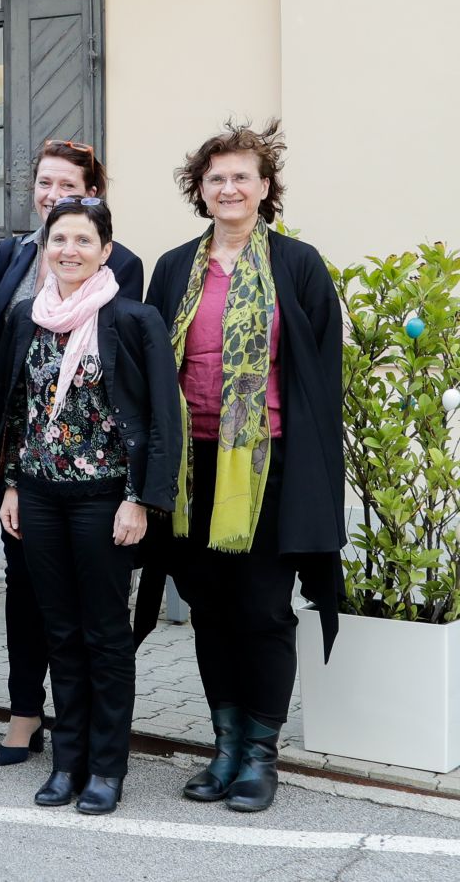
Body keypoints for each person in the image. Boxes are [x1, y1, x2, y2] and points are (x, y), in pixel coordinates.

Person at [141, 121, 343, 815]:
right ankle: (224, 745)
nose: (228, 188)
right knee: (209, 609)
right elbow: (152, 370)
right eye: (216, 178)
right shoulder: (174, 267)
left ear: (264, 187)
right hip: (191, 469)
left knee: (262, 609)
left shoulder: (298, 264)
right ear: (200, 189)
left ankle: (260, 752)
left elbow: (321, 374)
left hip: (268, 466)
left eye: (241, 177)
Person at [0, 199, 180, 814]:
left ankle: (106, 767)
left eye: (83, 240)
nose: (70, 250)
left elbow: (161, 419)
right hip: (38, 497)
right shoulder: (27, 317)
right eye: (59, 239)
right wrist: (11, 484)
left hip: (105, 502)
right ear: (46, 247)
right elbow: (17, 410)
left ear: (105, 250)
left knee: (105, 635)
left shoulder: (134, 320)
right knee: (59, 632)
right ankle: (68, 762)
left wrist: (140, 500)